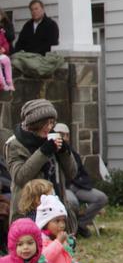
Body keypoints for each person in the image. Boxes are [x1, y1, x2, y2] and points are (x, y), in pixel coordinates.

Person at [5, 100, 77, 235]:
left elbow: (72, 173)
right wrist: (43, 152)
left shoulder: (52, 138)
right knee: (33, 253)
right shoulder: (14, 144)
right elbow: (20, 177)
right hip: (29, 211)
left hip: (54, 209)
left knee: (57, 253)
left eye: (52, 122)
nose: (49, 127)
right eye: (46, 123)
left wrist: (65, 152)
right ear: (34, 123)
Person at [51, 124, 106, 238]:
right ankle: (72, 228)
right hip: (63, 188)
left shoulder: (72, 152)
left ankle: (81, 223)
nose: (65, 137)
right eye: (62, 134)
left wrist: (84, 183)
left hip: (78, 186)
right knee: (73, 202)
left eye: (67, 135)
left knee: (101, 198)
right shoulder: (50, 153)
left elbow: (81, 172)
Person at [35, 194, 82, 263]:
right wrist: (58, 242)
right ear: (45, 223)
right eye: (57, 221)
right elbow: (44, 258)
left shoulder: (59, 239)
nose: (61, 225)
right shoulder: (41, 241)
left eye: (63, 221)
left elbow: (66, 258)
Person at [0, 5, 13, 91]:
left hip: (2, 52)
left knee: (6, 61)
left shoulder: (3, 28)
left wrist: (4, 49)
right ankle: (2, 83)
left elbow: (6, 41)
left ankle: (9, 82)